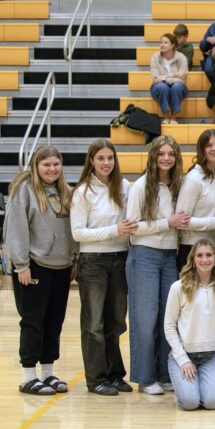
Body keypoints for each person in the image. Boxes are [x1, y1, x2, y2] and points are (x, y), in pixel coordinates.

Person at [5, 146, 77, 395]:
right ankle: (28, 376)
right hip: (33, 265)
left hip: (62, 266)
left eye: (56, 164)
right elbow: (16, 228)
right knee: (32, 321)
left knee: (54, 321)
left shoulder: (65, 192)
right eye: (46, 165)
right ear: (36, 166)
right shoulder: (24, 191)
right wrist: (21, 264)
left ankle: (47, 372)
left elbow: (72, 230)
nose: (52, 169)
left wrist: (74, 259)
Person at [70, 140, 135, 396]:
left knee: (116, 322)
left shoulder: (124, 186)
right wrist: (114, 230)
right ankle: (96, 378)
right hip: (93, 262)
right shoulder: (83, 192)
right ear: (91, 161)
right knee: (94, 323)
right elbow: (78, 233)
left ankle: (115, 375)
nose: (106, 163)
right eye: (101, 159)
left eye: (110, 158)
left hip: (121, 259)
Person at [126, 136, 189, 395]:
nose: (166, 158)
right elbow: (132, 227)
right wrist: (167, 223)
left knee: (167, 317)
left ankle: (164, 374)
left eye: (171, 154)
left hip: (168, 257)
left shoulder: (177, 185)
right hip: (144, 255)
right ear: (153, 156)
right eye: (161, 154)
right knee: (145, 318)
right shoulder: (141, 186)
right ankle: (144, 377)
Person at [163, 240, 215, 410]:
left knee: (212, 403)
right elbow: (169, 326)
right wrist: (183, 360)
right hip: (185, 355)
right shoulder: (178, 287)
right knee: (190, 403)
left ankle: (201, 384)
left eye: (208, 255)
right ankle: (189, 386)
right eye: (199, 255)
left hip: (212, 356)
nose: (204, 259)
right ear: (192, 259)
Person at [176, 129, 215, 270]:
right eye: (209, 146)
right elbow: (181, 222)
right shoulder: (192, 180)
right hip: (192, 248)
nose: (214, 149)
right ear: (201, 150)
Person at [149, 33, 189, 125]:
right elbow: (155, 79)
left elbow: (183, 76)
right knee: (163, 87)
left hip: (178, 86)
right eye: (161, 42)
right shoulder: (155, 57)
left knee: (177, 87)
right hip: (159, 87)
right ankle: (166, 117)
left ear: (173, 45)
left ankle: (174, 118)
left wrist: (165, 77)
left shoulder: (181, 57)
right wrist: (174, 75)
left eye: (165, 43)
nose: (162, 45)